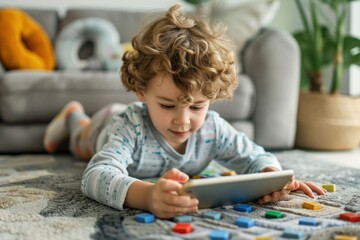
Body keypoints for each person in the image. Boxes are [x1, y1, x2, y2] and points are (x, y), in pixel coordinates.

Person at [43, 4, 325, 219]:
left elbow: (255, 156)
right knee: (81, 144)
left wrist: (273, 176)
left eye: (196, 106)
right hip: (105, 124)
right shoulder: (130, 126)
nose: (183, 119)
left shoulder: (213, 129)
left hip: (127, 118)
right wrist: (148, 196)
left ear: (210, 99)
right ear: (142, 91)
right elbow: (96, 175)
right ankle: (73, 116)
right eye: (167, 105)